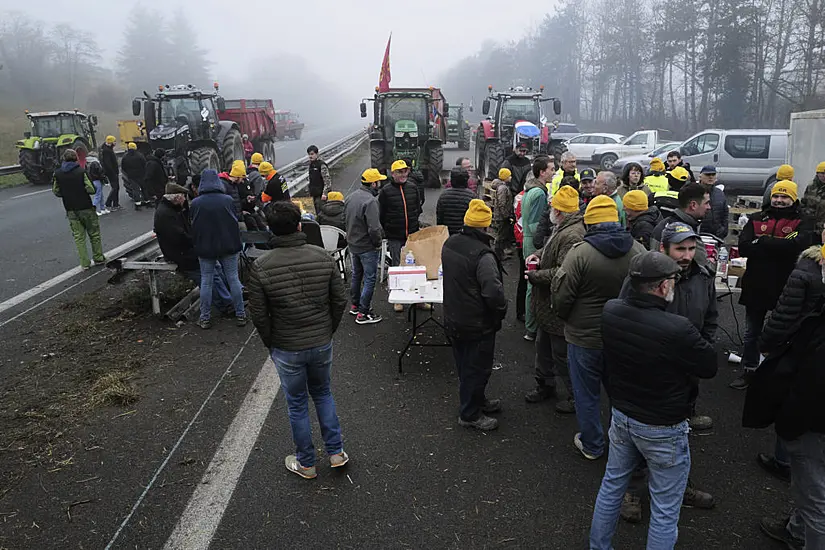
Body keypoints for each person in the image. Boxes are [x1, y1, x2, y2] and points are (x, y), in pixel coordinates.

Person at [590, 251, 717, 550]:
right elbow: (709, 366)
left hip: (622, 415)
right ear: (662, 287)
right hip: (663, 425)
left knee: (611, 486)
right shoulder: (677, 328)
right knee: (664, 509)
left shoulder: (611, 310)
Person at [248, 200, 349, 479]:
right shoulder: (322, 256)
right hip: (320, 340)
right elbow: (339, 300)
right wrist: (327, 330)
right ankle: (336, 452)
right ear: (300, 225)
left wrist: (272, 342)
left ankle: (306, 462)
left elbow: (259, 314)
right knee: (323, 393)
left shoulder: (260, 266)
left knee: (296, 404)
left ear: (271, 229)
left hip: (286, 345)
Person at [553, 196, 646, 460]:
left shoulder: (579, 253)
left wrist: (567, 319)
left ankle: (593, 444)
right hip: (625, 337)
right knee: (622, 394)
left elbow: (562, 297)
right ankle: (624, 446)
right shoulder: (638, 251)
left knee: (586, 394)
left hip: (584, 337)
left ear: (589, 222)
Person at [731, 180, 815, 390]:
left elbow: (797, 245)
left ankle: (776, 372)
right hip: (756, 285)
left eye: (784, 197)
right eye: (776, 196)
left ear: (793, 198)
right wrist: (778, 245)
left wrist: (763, 242)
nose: (779, 200)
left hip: (787, 287)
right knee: (752, 332)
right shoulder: (757, 218)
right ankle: (749, 370)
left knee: (785, 332)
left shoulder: (803, 221)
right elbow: (743, 248)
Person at [754, 242, 825, 483]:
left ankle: (784, 461)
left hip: (799, 348)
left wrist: (766, 342)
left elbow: (785, 313)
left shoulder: (807, 268)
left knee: (792, 403)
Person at [442, 199, 507, 431]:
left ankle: (477, 400)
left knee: (464, 364)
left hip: (453, 316)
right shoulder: (483, 255)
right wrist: (501, 310)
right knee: (477, 368)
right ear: (486, 226)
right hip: (476, 323)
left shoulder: (450, 243)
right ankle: (470, 414)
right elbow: (493, 291)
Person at [524, 186, 585, 412]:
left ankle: (574, 395)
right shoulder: (564, 227)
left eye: (553, 207)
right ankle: (545, 385)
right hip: (547, 305)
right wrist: (538, 255)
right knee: (544, 348)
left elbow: (564, 272)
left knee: (562, 355)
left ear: (559, 211)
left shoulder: (572, 234)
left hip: (557, 304)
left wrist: (535, 275)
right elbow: (551, 249)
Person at [154, 182, 234, 313]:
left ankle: (228, 299)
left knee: (216, 268)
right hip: (181, 255)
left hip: (185, 251)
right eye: (183, 197)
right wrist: (198, 242)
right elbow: (180, 238)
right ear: (177, 197)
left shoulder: (172, 209)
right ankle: (224, 305)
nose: (185, 200)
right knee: (209, 276)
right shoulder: (166, 214)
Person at [190, 169, 247, 329]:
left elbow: (193, 225)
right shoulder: (227, 200)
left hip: (206, 248)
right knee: (233, 279)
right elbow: (234, 221)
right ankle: (241, 315)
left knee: (206, 282)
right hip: (228, 246)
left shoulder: (196, 203)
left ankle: (205, 318)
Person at [52, 148, 106, 269]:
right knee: (94, 234)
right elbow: (91, 189)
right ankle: (98, 257)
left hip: (70, 209)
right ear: (76, 158)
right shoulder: (81, 172)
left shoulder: (58, 173)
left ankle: (85, 263)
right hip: (85, 207)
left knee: (79, 237)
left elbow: (56, 191)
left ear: (63, 159)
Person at [345, 169, 385, 324]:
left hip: (353, 244)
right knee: (369, 279)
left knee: (356, 275)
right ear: (373, 183)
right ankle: (364, 312)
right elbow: (374, 228)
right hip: (367, 246)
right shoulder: (371, 201)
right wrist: (378, 243)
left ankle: (355, 305)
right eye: (378, 182)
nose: (380, 184)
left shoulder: (350, 197)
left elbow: (344, 218)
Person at [522, 157, 552, 341]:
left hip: (526, 238)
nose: (554, 172)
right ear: (542, 172)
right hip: (533, 241)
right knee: (532, 284)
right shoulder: (540, 194)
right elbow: (536, 225)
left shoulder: (529, 190)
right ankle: (531, 327)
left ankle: (529, 325)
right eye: (551, 169)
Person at [378, 159, 422, 271]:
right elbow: (381, 214)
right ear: (392, 174)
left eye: (405, 171)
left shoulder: (413, 188)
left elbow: (418, 209)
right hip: (395, 236)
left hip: (412, 235)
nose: (403, 175)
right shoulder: (385, 191)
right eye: (399, 172)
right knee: (397, 266)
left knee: (413, 263)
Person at [651, 182, 711, 262]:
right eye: (706, 203)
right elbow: (703, 264)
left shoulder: (664, 224)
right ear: (693, 205)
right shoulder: (684, 231)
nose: (709, 207)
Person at [437, 167, 476, 235]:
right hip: (465, 234)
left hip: (447, 233)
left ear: (451, 180)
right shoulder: (472, 196)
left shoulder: (443, 195)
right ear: (466, 180)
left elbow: (439, 217)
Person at [698, 165, 729, 239]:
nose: (710, 177)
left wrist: (724, 230)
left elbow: (725, 213)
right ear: (700, 176)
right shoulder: (694, 191)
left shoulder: (720, 193)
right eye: (707, 174)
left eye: (713, 174)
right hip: (699, 234)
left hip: (716, 235)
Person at [491, 167, 515, 258]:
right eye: (509, 176)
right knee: (501, 236)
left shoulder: (503, 187)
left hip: (502, 215)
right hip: (502, 217)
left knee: (502, 234)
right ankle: (498, 255)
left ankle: (501, 253)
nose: (511, 177)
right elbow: (502, 203)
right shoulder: (503, 188)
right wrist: (506, 216)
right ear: (505, 177)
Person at [120, 142, 148, 209]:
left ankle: (138, 204)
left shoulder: (125, 157)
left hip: (131, 176)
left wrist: (128, 173)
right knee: (144, 188)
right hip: (141, 175)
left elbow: (123, 167)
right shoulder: (140, 155)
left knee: (135, 190)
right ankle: (147, 202)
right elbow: (145, 164)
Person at [307, 145, 332, 214]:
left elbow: (327, 180)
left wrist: (325, 193)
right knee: (315, 212)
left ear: (317, 154)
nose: (310, 156)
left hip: (321, 195)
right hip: (314, 193)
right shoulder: (311, 165)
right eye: (309, 154)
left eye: (312, 154)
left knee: (321, 213)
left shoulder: (321, 165)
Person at [801, 161, 825, 232]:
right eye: (822, 173)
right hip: (810, 227)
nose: (824, 176)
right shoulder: (811, 187)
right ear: (817, 174)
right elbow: (803, 203)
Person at [101, 135, 121, 211]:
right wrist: (113, 172)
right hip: (111, 173)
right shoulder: (107, 151)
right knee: (115, 188)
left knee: (116, 188)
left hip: (113, 172)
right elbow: (108, 164)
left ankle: (116, 204)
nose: (115, 143)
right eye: (114, 142)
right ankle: (108, 203)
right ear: (110, 142)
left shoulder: (107, 149)